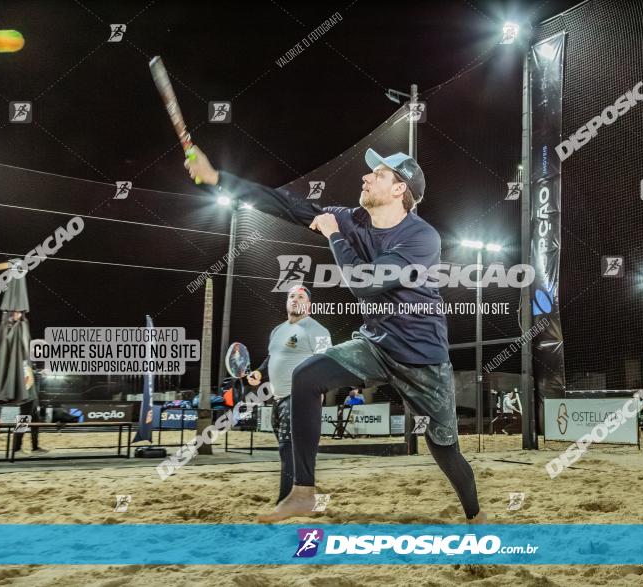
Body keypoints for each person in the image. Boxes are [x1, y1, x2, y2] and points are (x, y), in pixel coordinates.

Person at [185, 146, 484, 523]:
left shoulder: (422, 238)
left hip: (423, 358)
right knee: (306, 376)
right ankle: (303, 493)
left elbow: (365, 283)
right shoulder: (353, 219)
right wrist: (217, 179)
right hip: (375, 345)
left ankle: (476, 515)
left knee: (444, 448)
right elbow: (287, 204)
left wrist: (333, 236)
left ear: (399, 190)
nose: (366, 176)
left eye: (378, 174)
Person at [246, 285, 332, 505]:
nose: (295, 299)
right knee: (293, 453)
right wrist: (259, 372)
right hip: (278, 399)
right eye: (291, 296)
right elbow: (272, 358)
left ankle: (285, 502)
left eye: (301, 296)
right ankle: (313, 499)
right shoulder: (277, 331)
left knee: (288, 449)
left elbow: (328, 363)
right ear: (286, 302)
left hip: (300, 398)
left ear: (309, 305)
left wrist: (320, 391)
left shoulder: (319, 331)